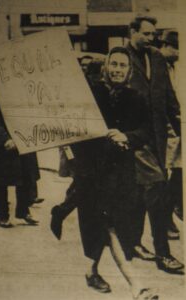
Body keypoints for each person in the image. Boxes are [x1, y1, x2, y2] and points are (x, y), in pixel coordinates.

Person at [53, 47, 159, 300]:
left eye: (122, 66)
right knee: (106, 226)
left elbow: (147, 131)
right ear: (106, 67)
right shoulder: (91, 93)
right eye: (114, 65)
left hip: (121, 175)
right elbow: (70, 123)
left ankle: (91, 271)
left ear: (129, 71)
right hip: (91, 173)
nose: (117, 70)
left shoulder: (136, 98)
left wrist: (127, 137)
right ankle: (137, 286)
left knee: (114, 226)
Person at [126, 15, 184, 274]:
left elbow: (169, 95)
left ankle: (133, 242)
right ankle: (163, 254)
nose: (150, 39)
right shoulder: (121, 57)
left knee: (142, 192)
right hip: (133, 138)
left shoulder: (157, 58)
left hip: (157, 137)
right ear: (132, 32)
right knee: (158, 189)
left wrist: (178, 121)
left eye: (153, 34)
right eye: (146, 34)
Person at [0, 78, 39, 228]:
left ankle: (23, 211)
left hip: (23, 133)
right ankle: (2, 214)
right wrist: (3, 138)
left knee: (26, 174)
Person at [160, 30, 183, 239]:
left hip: (178, 128)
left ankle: (175, 211)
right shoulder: (159, 66)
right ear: (166, 45)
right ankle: (166, 220)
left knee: (177, 175)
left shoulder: (176, 67)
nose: (178, 52)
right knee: (168, 177)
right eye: (175, 47)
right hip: (167, 130)